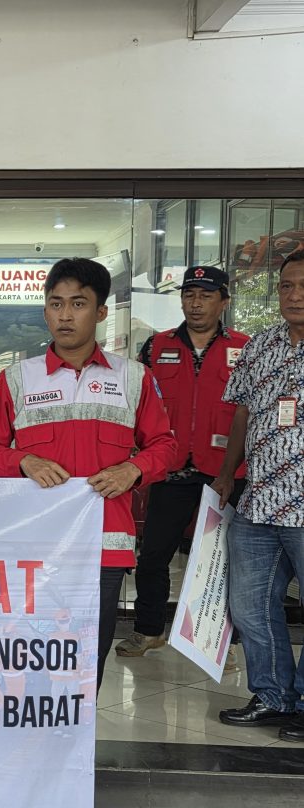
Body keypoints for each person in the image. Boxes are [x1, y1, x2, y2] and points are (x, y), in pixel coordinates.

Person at [0, 257, 176, 808]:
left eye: (78, 303)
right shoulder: (18, 379)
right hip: (32, 558)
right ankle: (14, 792)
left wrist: (134, 469)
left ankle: (60, 801)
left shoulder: (135, 378)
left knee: (80, 680)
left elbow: (166, 445)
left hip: (102, 558)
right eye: (56, 303)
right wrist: (23, 460)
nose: (65, 315)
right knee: (20, 677)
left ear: (101, 312)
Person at [116, 266, 249, 657]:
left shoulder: (246, 348)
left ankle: (222, 640)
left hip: (226, 471)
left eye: (206, 296)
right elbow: (137, 403)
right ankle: (148, 630)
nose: (196, 303)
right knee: (154, 555)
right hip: (172, 470)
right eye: (189, 295)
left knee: (225, 560)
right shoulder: (156, 347)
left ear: (224, 301)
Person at [214, 249, 304, 740]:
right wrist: (228, 474)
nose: (294, 295)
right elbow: (242, 413)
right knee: (250, 605)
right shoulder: (261, 344)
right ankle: (273, 696)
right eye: (287, 286)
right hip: (260, 500)